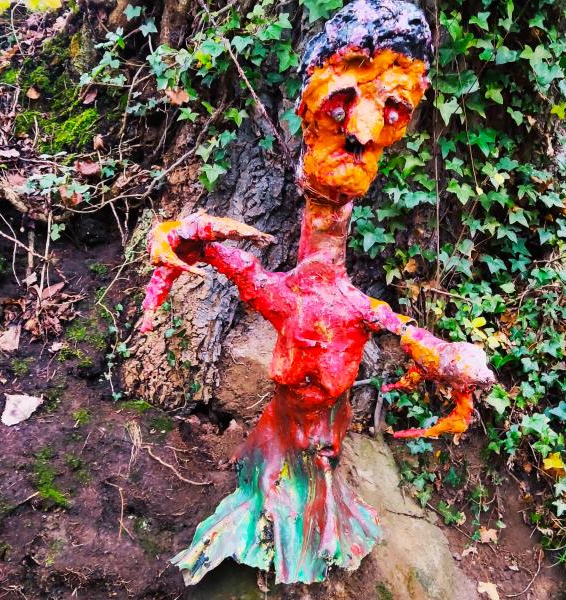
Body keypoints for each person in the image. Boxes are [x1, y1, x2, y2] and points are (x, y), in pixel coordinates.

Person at [139, 0, 494, 586]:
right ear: (306, 108)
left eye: (392, 109)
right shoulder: (292, 296)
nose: (362, 132)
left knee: (317, 461)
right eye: (341, 102)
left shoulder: (352, 310)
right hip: (280, 433)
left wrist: (453, 362)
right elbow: (213, 255)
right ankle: (269, 514)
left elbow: (412, 338)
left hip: (323, 437)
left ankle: (314, 518)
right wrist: (184, 241)